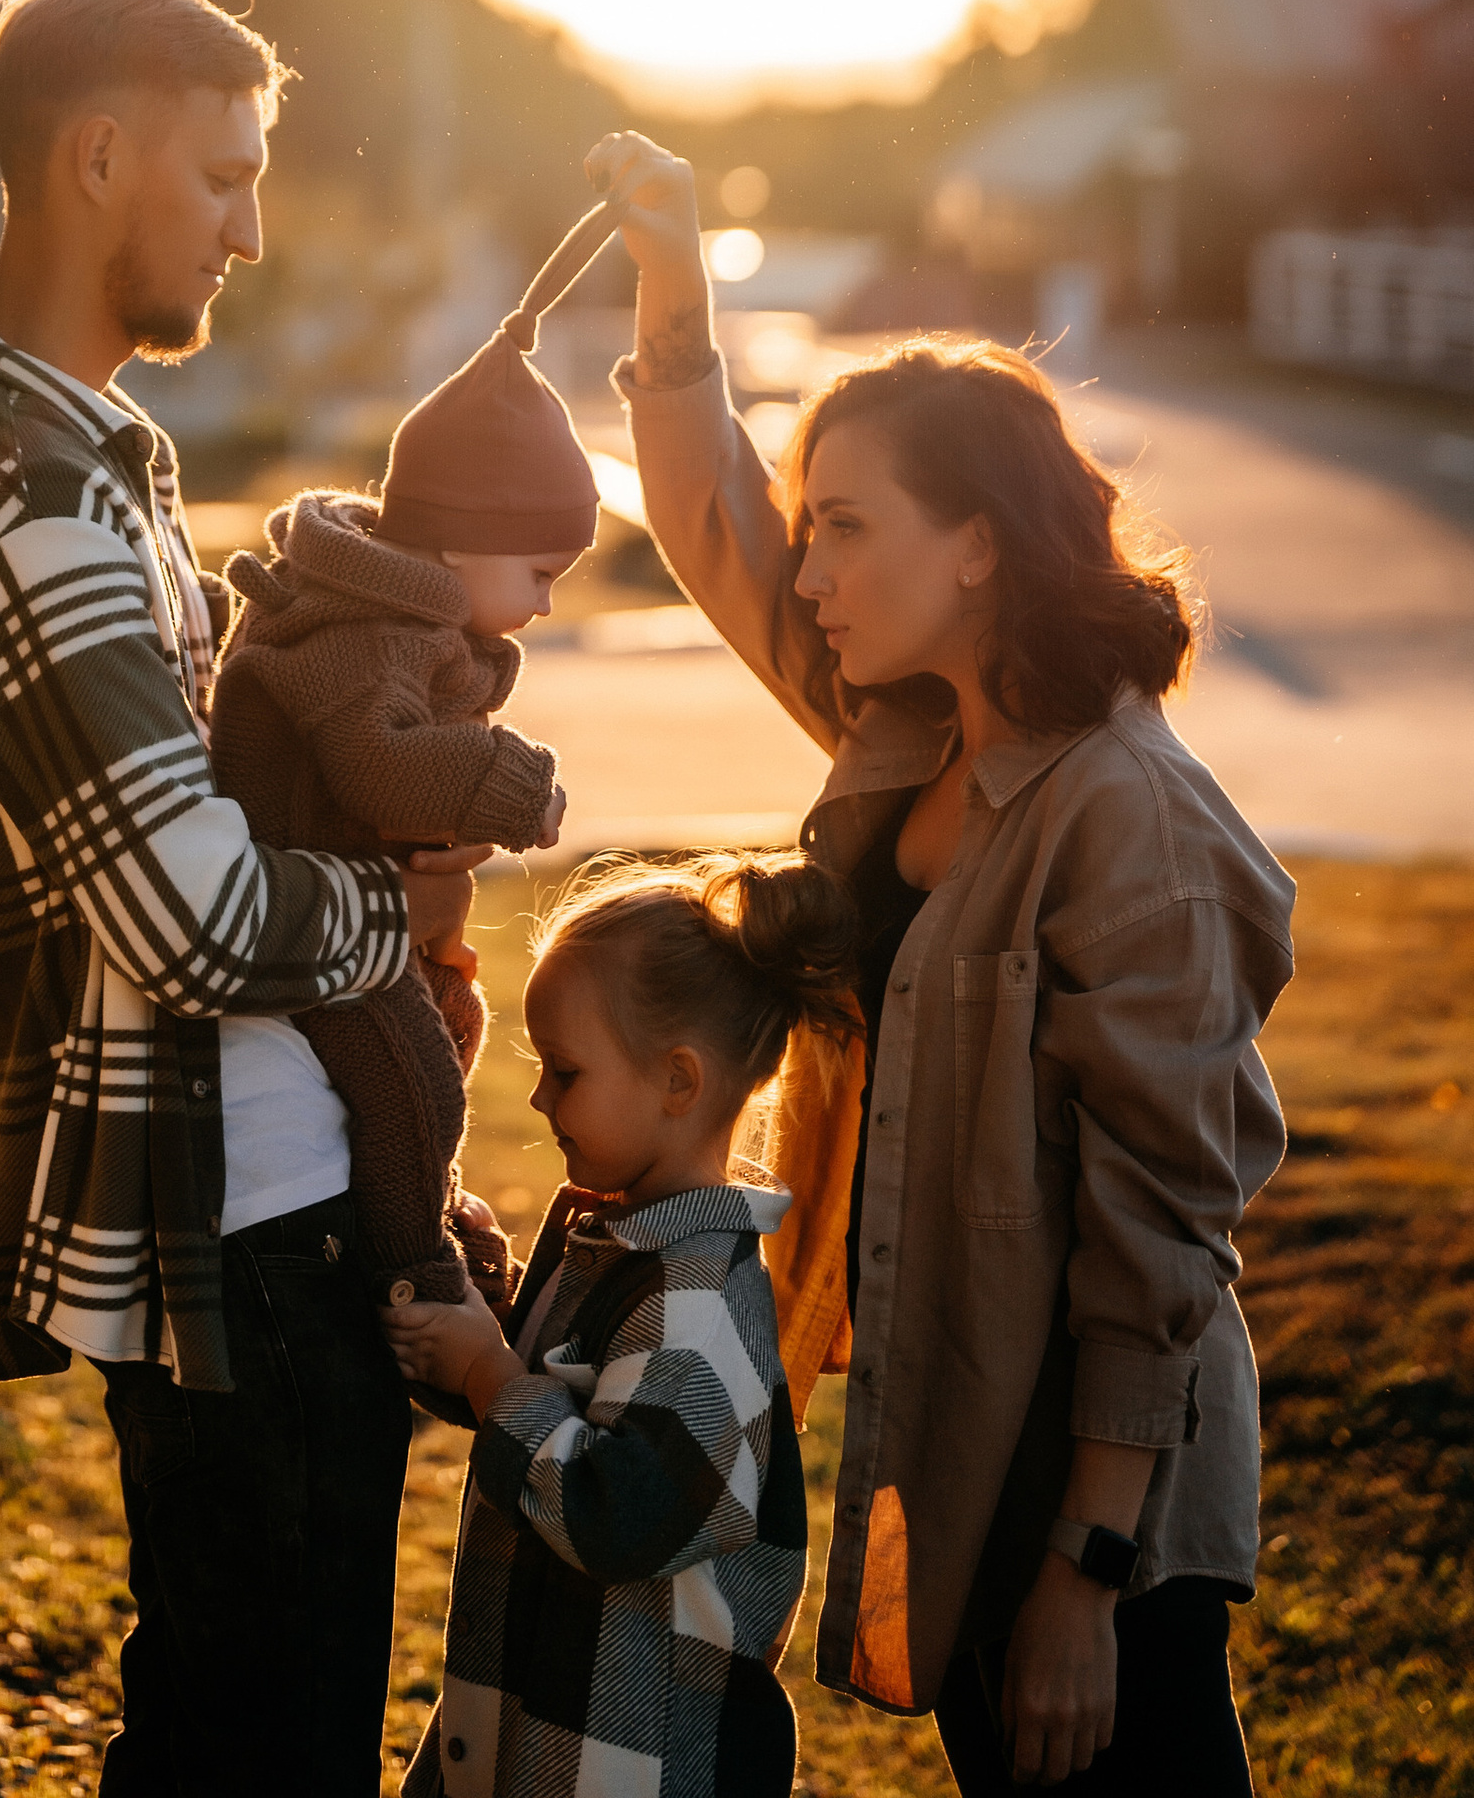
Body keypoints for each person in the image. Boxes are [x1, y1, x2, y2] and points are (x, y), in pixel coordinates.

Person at [582, 132, 1295, 1795]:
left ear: (978, 546)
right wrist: (676, 282)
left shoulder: (1129, 820)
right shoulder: (912, 729)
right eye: (809, 526)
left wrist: (1085, 1580)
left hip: (1098, 1493)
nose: (809, 569)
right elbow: (717, 536)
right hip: (946, 1420)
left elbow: (1164, 1231)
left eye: (847, 527)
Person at [0, 0, 492, 1798]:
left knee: (228, 1727)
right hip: (245, 1233)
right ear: (100, 157)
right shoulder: (29, 493)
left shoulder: (73, 451)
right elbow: (192, 914)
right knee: (262, 1751)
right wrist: (404, 914)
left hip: (251, 1198)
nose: (254, 227)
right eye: (222, 179)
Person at [210, 206, 625, 1300]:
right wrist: (512, 784)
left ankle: (430, 1210)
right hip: (301, 921)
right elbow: (378, 766)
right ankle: (417, 1273)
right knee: (412, 1083)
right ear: (463, 536)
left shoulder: (405, 608)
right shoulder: (365, 632)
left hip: (356, 900)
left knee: (445, 1032)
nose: (544, 602)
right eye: (539, 572)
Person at [381, 851, 860, 1798]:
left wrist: (488, 1375)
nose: (538, 1098)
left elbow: (619, 1513)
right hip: (524, 1735)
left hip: (623, 1768)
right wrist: (482, 1311)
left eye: (565, 1071)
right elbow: (540, 1401)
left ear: (679, 1081)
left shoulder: (702, 1304)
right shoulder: (621, 1246)